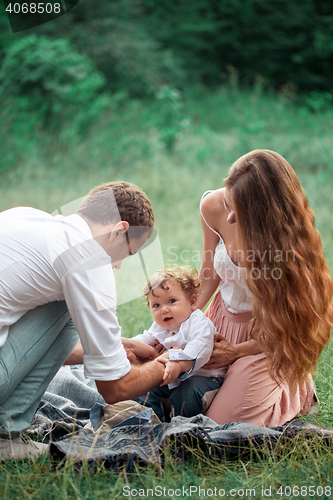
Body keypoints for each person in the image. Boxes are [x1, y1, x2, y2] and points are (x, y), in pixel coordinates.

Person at [0, 181, 166, 460]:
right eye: (128, 252)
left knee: (64, 301)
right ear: (120, 230)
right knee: (68, 304)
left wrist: (121, 345)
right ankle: (6, 434)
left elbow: (36, 347)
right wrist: (167, 363)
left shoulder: (26, 217)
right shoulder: (89, 258)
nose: (118, 265)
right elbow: (115, 388)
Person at [198, 149, 333, 426]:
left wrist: (237, 352)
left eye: (241, 211)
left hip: (266, 340)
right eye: (228, 203)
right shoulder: (212, 206)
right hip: (220, 322)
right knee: (177, 394)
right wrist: (181, 322)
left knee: (224, 426)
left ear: (265, 213)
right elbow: (209, 273)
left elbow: (294, 325)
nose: (231, 219)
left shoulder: (288, 245)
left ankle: (294, 392)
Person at [134, 267, 224, 421]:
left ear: (192, 301)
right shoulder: (160, 326)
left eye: (171, 301)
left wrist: (178, 364)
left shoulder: (198, 322)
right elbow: (145, 339)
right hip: (173, 378)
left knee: (188, 392)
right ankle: (149, 423)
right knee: (144, 387)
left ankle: (182, 429)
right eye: (156, 305)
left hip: (205, 378)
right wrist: (128, 346)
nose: (164, 310)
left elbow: (199, 348)